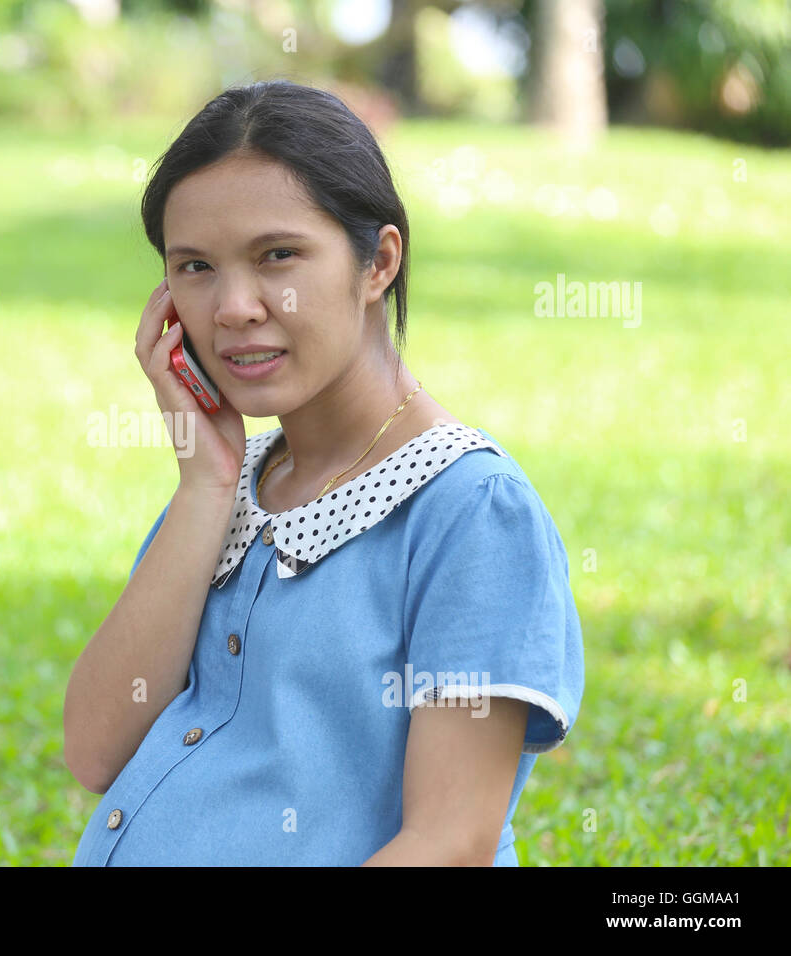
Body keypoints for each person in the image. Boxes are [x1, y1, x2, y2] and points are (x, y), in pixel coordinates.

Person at [63, 79, 584, 866]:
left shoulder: (473, 513)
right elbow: (96, 751)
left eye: (278, 256)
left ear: (377, 261)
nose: (234, 306)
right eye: (196, 267)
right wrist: (202, 486)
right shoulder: (237, 487)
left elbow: (450, 842)